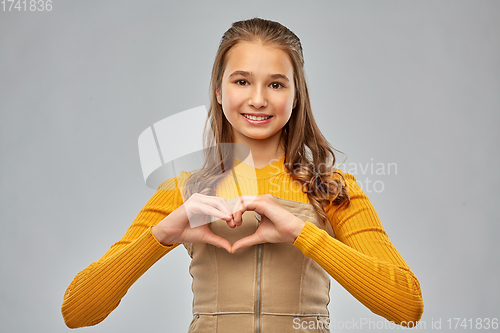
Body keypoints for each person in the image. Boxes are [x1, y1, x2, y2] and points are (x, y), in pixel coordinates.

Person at [61, 17, 424, 332]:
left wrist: (302, 232)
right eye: (242, 81)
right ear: (218, 92)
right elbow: (77, 311)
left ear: (296, 97)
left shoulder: (330, 190)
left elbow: (406, 307)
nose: (259, 99)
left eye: (277, 84)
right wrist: (160, 235)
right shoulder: (183, 191)